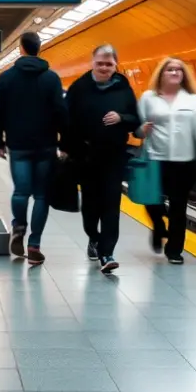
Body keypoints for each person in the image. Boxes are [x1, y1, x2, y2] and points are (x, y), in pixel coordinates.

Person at [60, 44, 139, 273]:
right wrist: (66, 148)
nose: (105, 68)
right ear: (92, 63)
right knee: (91, 207)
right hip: (86, 157)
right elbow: (66, 121)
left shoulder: (123, 87)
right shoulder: (79, 88)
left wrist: (121, 117)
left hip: (114, 156)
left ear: (116, 65)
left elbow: (135, 119)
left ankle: (107, 253)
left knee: (112, 204)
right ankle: (93, 237)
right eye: (100, 63)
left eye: (109, 64)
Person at [0, 31, 66, 265]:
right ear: (39, 49)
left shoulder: (7, 78)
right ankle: (34, 244)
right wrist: (64, 143)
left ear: (21, 49)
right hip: (45, 145)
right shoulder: (52, 78)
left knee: (21, 191)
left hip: (18, 144)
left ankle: (19, 227)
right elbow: (62, 112)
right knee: (42, 195)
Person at [137, 57, 196, 264]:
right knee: (151, 201)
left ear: (183, 75)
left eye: (178, 70)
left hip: (184, 161)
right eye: (169, 69)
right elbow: (138, 128)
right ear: (161, 73)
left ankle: (174, 250)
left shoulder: (192, 99)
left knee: (179, 206)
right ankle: (159, 226)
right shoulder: (148, 97)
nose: (174, 73)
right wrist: (141, 130)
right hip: (155, 158)